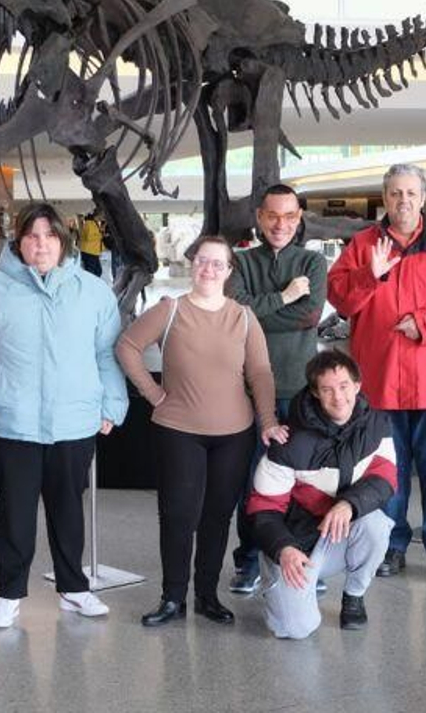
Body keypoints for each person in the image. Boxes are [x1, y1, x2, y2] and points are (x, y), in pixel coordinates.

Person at [0, 203, 128, 629]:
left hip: (74, 420)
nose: (41, 245)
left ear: (64, 241)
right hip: (11, 421)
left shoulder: (92, 291)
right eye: (32, 236)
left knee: (68, 507)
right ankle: (8, 593)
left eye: (50, 236)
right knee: (14, 511)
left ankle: (74, 587)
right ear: (18, 242)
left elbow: (107, 353)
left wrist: (113, 404)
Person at [115, 234, 282, 628]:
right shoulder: (170, 310)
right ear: (192, 264)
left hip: (234, 434)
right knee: (177, 515)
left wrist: (268, 420)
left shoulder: (243, 318)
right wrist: (153, 393)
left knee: (217, 516)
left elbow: (259, 373)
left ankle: (207, 594)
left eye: (217, 263)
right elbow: (127, 346)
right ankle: (173, 597)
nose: (209, 269)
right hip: (178, 430)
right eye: (203, 261)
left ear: (228, 271)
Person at [327, 164, 426, 587]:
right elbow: (339, 298)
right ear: (385, 196)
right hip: (381, 377)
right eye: (396, 193)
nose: (403, 201)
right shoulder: (362, 246)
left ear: (423, 198)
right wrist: (367, 275)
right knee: (385, 469)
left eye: (411, 193)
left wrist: (423, 323)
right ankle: (390, 546)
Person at [248, 350, 396, 637]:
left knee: (375, 525)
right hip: (296, 545)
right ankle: (274, 580)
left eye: (343, 386)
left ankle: (354, 596)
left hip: (338, 534)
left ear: (357, 385)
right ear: (315, 392)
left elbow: (385, 478)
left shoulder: (377, 425)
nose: (338, 397)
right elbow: (262, 509)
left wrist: (348, 505)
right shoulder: (288, 442)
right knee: (296, 629)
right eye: (327, 389)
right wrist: (283, 548)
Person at [228, 184, 329, 594]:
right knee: (253, 480)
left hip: (301, 388)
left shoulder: (312, 261)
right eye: (273, 215)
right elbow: (235, 314)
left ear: (299, 218)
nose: (281, 224)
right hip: (250, 390)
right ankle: (249, 560)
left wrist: (260, 308)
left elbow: (310, 316)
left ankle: (304, 558)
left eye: (289, 216)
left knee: (305, 478)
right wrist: (285, 296)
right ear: (259, 217)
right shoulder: (241, 261)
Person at [78, 212, 106, 277]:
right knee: (92, 272)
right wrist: (101, 235)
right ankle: (89, 285)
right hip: (89, 252)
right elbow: (89, 237)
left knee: (98, 271)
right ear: (97, 215)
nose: (102, 218)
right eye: (102, 216)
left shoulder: (95, 223)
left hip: (93, 251)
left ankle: (92, 284)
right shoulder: (89, 223)